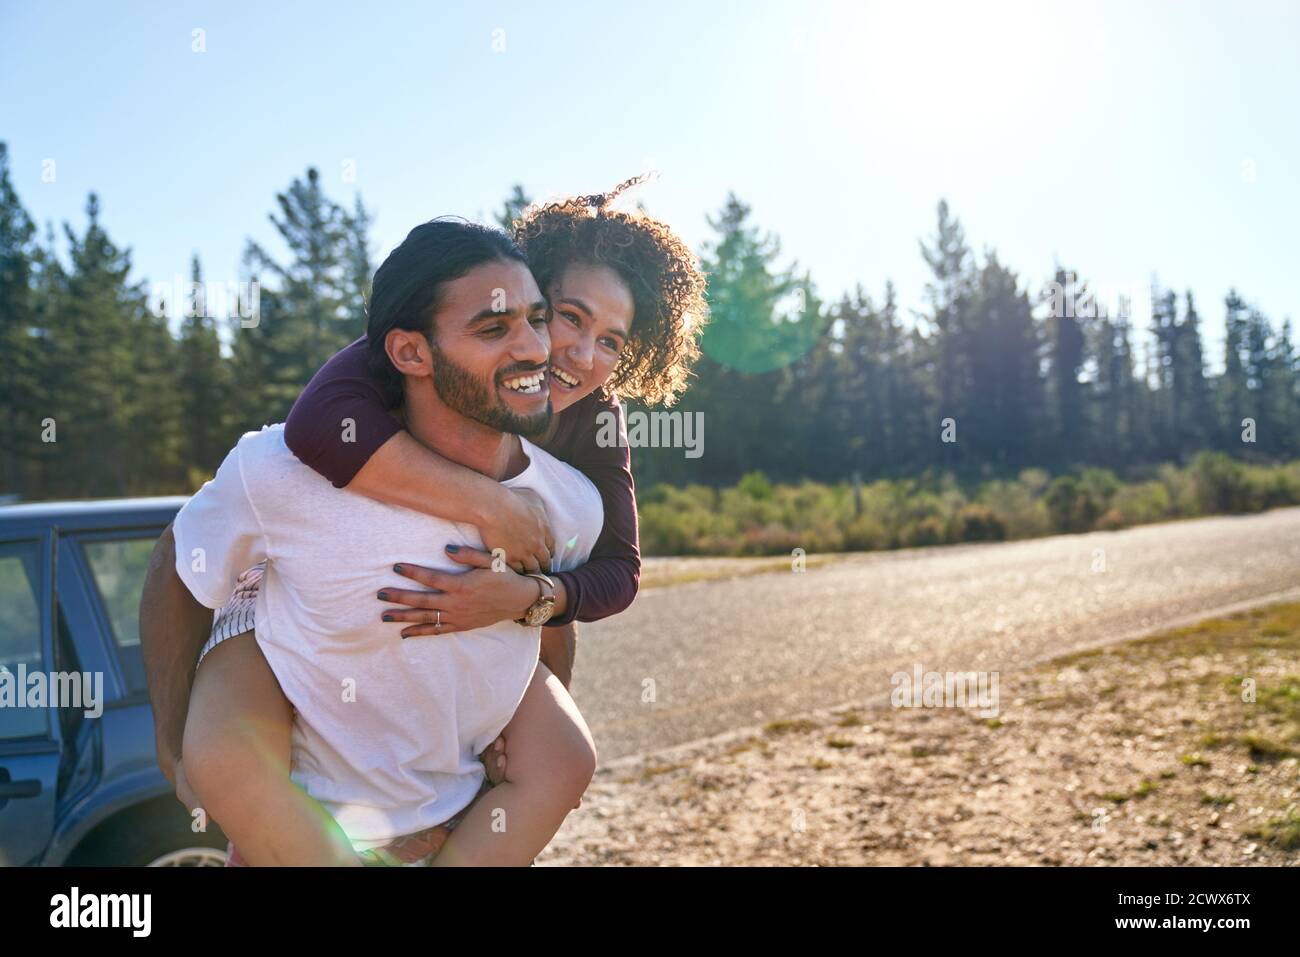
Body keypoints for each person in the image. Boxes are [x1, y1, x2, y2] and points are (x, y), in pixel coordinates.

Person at [141, 181, 708, 864]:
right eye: (565, 316)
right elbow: (312, 427)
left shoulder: (589, 439)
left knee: (562, 753)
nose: (575, 353)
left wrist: (532, 610)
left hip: (463, 748)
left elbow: (611, 571)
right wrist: (488, 504)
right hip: (270, 617)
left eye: (611, 339)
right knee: (224, 750)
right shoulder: (362, 390)